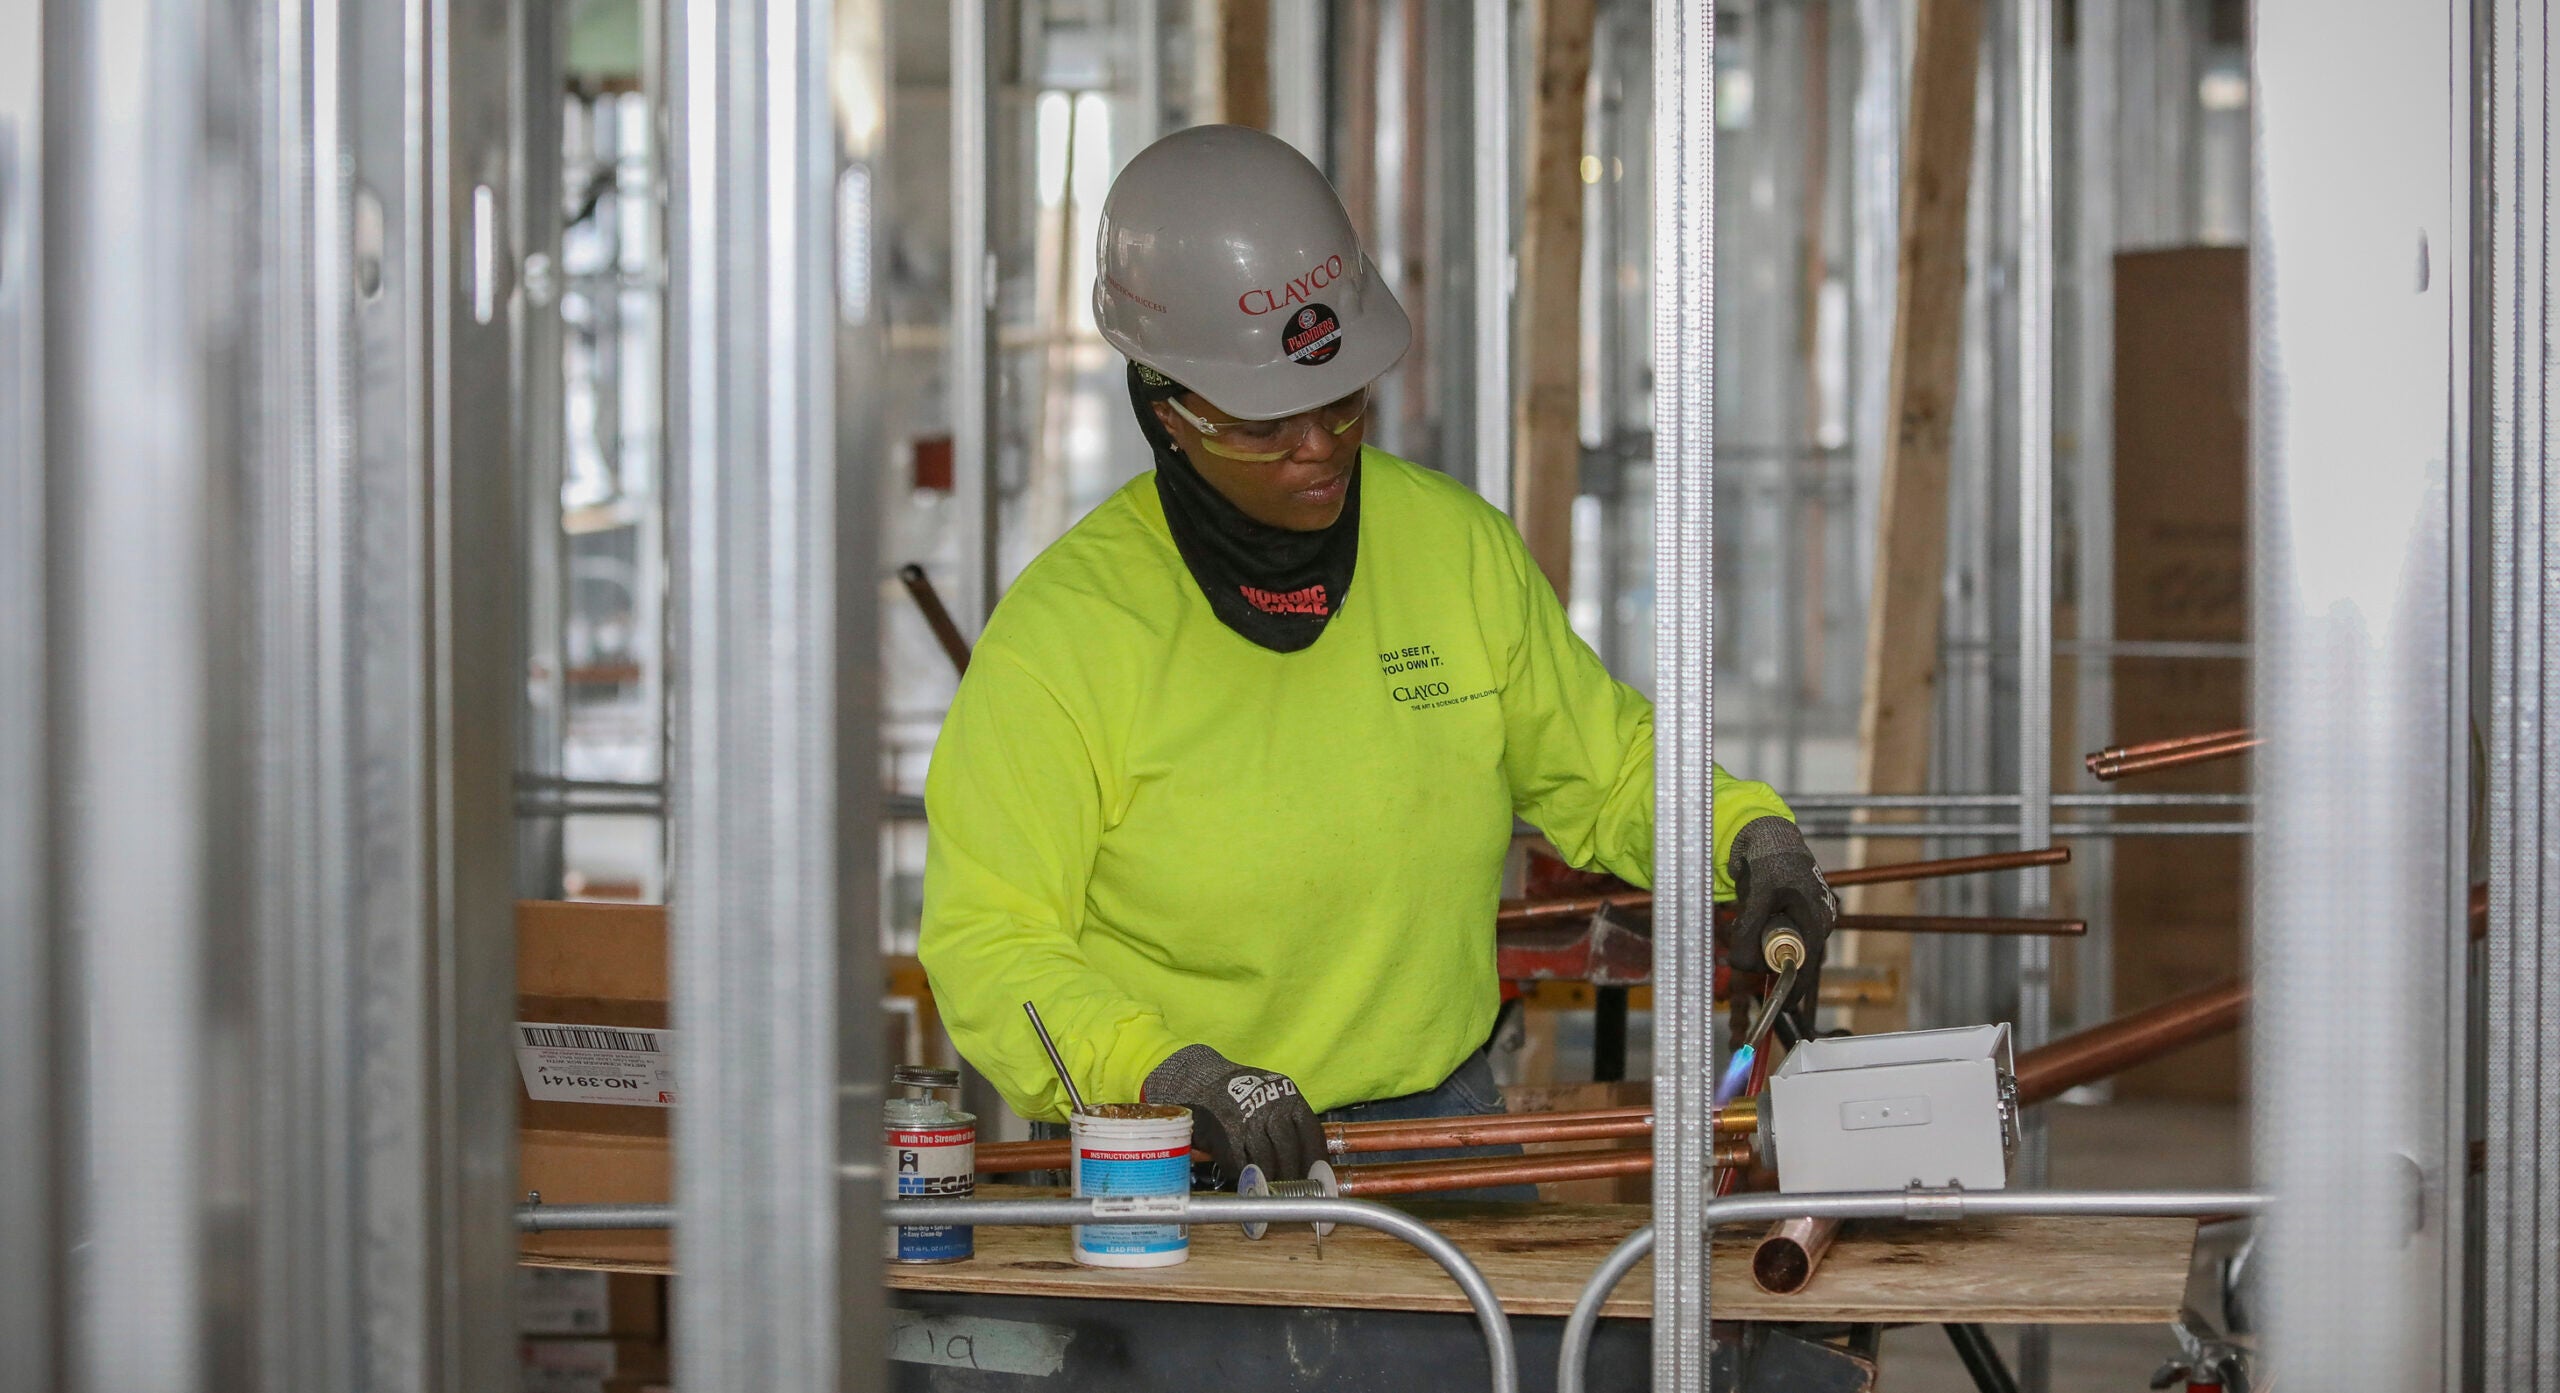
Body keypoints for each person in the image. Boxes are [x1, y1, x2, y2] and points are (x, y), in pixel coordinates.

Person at [919, 125, 1836, 1193]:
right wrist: (1162, 1075)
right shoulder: (1067, 635)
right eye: (1266, 424)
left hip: (1439, 1127)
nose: (1319, 447)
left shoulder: (1452, 552)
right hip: (1177, 1148)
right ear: (1164, 408)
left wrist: (1748, 835)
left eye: (1343, 400)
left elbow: (1611, 768)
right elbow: (990, 940)